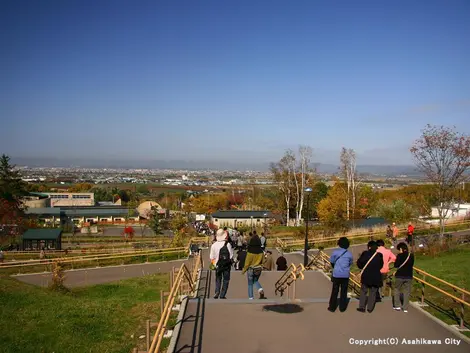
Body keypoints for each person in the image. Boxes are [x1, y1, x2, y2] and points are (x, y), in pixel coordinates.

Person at [357, 241, 384, 313]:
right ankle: (370, 308)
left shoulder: (365, 254)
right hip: (376, 277)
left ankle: (362, 307)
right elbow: (381, 266)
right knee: (373, 292)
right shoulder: (379, 255)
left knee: (363, 291)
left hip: (366, 276)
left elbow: (359, 264)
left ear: (369, 247)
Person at [328, 237, 353, 312]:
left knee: (335, 291)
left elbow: (331, 261)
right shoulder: (349, 254)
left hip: (336, 274)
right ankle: (342, 308)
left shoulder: (335, 252)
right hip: (345, 275)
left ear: (339, 244)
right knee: (344, 291)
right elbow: (350, 263)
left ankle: (332, 307)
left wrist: (335, 266)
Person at [210, 229, 234, 299]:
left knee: (218, 279)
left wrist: (213, 265)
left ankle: (217, 291)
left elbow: (212, 257)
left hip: (217, 265)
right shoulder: (228, 244)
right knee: (226, 280)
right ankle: (222, 294)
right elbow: (231, 256)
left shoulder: (213, 245)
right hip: (226, 265)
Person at [242, 233, 267, 300]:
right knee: (255, 280)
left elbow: (247, 263)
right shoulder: (261, 252)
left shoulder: (249, 252)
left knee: (250, 284)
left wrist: (243, 270)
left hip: (250, 269)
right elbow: (264, 260)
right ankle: (260, 289)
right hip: (258, 268)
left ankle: (251, 298)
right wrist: (261, 265)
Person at [393, 242, 414, 313]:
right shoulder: (411, 255)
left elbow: (396, 265)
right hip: (409, 276)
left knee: (397, 289)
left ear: (401, 249)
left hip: (399, 275)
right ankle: (405, 308)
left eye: (399, 249)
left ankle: (397, 306)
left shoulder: (399, 256)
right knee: (407, 291)